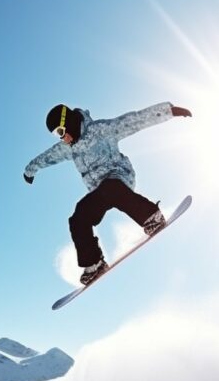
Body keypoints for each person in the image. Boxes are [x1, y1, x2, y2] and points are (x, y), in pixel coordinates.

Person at [23, 102, 193, 285]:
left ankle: (151, 217)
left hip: (120, 179)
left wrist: (168, 111)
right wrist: (30, 171)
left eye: (60, 131)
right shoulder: (68, 148)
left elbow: (134, 120)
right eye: (57, 135)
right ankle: (94, 263)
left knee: (111, 189)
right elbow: (47, 157)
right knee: (78, 217)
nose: (61, 138)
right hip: (99, 192)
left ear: (69, 122)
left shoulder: (101, 130)